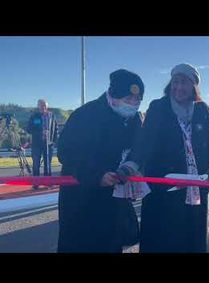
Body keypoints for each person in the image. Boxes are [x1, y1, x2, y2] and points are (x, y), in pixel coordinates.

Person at [122, 63, 209, 253]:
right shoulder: (159, 107)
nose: (179, 87)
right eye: (176, 82)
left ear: (193, 86)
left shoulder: (203, 110)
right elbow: (144, 142)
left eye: (184, 82)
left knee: (191, 241)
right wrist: (131, 165)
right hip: (163, 188)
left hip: (196, 189)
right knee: (162, 240)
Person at [57, 69, 145, 253]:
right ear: (113, 95)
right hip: (82, 198)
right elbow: (66, 152)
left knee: (110, 244)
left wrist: (130, 167)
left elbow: (138, 149)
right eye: (128, 100)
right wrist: (97, 175)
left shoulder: (134, 118)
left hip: (114, 200)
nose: (133, 105)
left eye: (137, 101)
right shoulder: (86, 115)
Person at [27, 99, 58, 189]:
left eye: (44, 105)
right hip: (37, 144)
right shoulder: (34, 116)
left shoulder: (52, 115)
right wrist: (40, 132)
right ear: (38, 106)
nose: (43, 107)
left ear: (47, 106)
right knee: (36, 164)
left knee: (48, 164)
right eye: (41, 105)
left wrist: (54, 140)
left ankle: (47, 182)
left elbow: (55, 129)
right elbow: (29, 129)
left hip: (49, 144)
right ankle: (36, 183)